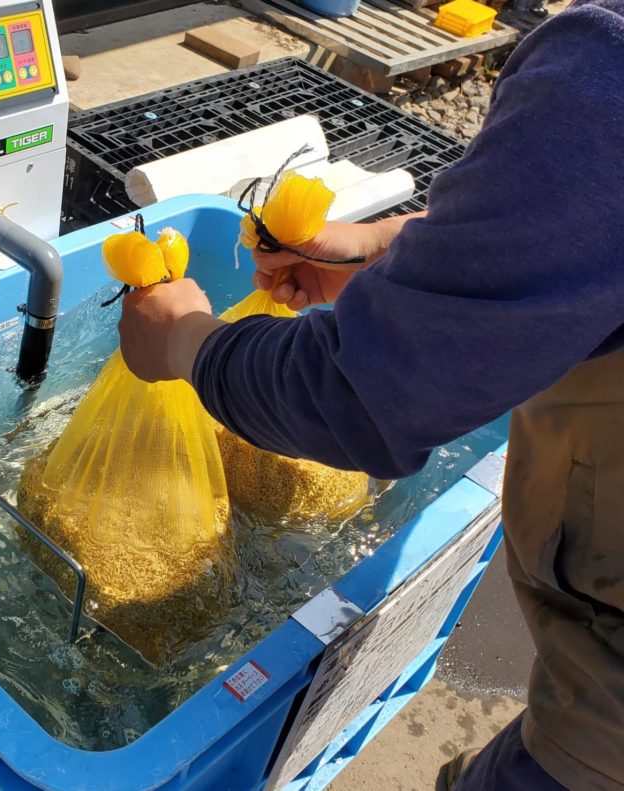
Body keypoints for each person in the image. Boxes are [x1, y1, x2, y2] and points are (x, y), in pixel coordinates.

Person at [116, 0, 624, 788]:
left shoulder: (605, 73)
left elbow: (357, 398)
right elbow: (576, 238)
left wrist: (183, 340)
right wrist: (388, 252)